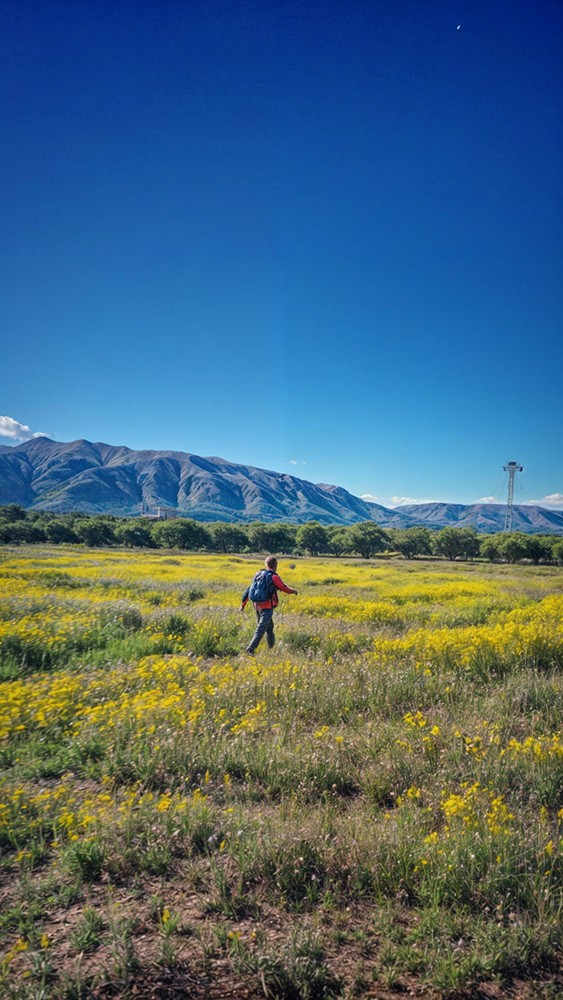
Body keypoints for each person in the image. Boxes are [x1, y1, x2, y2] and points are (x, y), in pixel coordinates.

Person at [240, 555, 297, 655]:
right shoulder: (273, 576)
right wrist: (293, 591)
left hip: (256, 606)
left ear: (266, 564)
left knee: (269, 628)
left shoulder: (259, 574)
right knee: (261, 629)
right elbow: (284, 588)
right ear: (275, 564)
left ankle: (271, 649)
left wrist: (243, 605)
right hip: (267, 607)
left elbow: (249, 590)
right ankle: (250, 649)